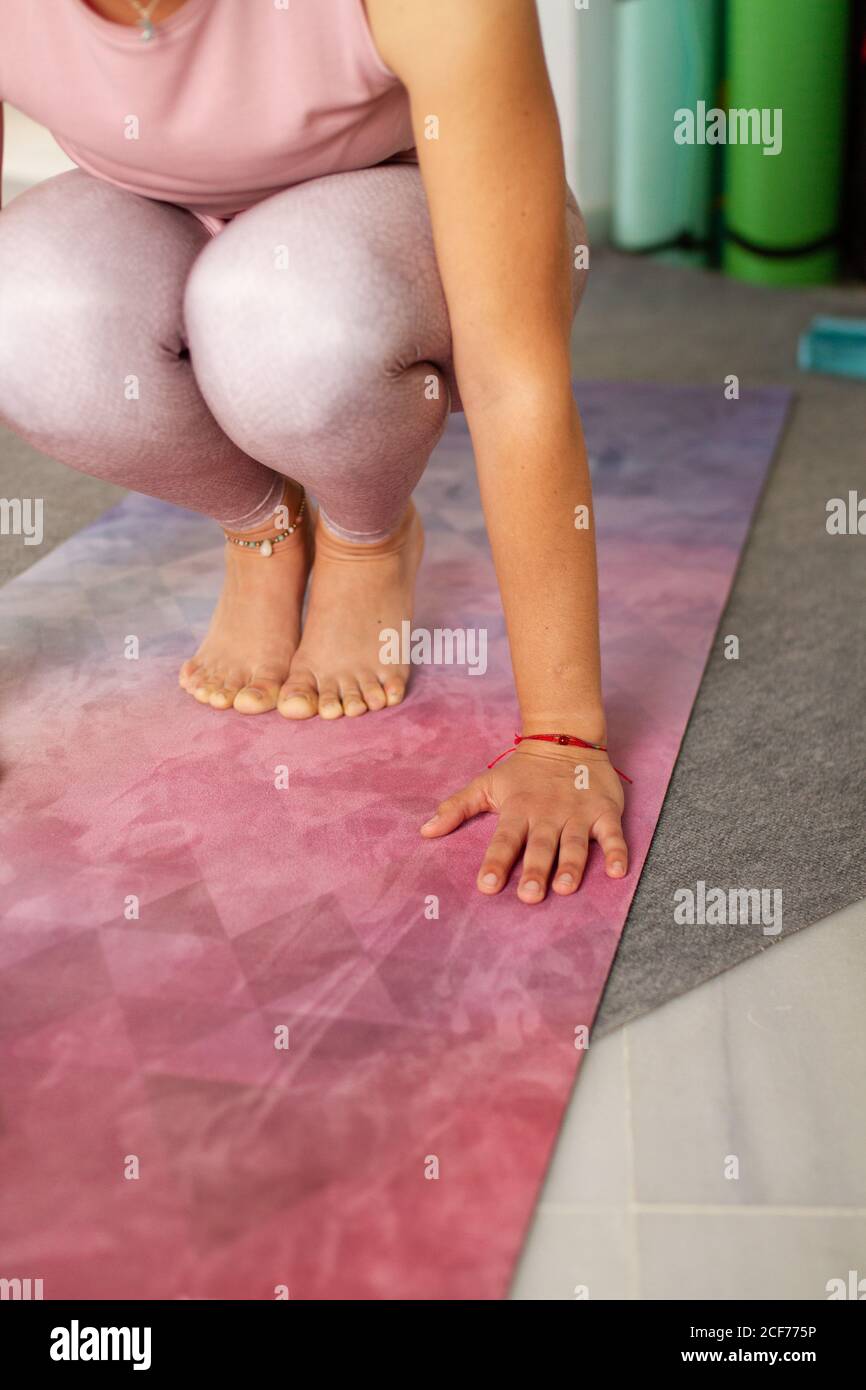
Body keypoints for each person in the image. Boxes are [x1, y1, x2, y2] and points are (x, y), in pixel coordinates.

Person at [0, 0, 629, 902]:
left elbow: (513, 378)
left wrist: (562, 737)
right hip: (163, 219)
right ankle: (262, 528)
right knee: (18, 316)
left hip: (409, 224)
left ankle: (365, 531)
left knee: (276, 320)